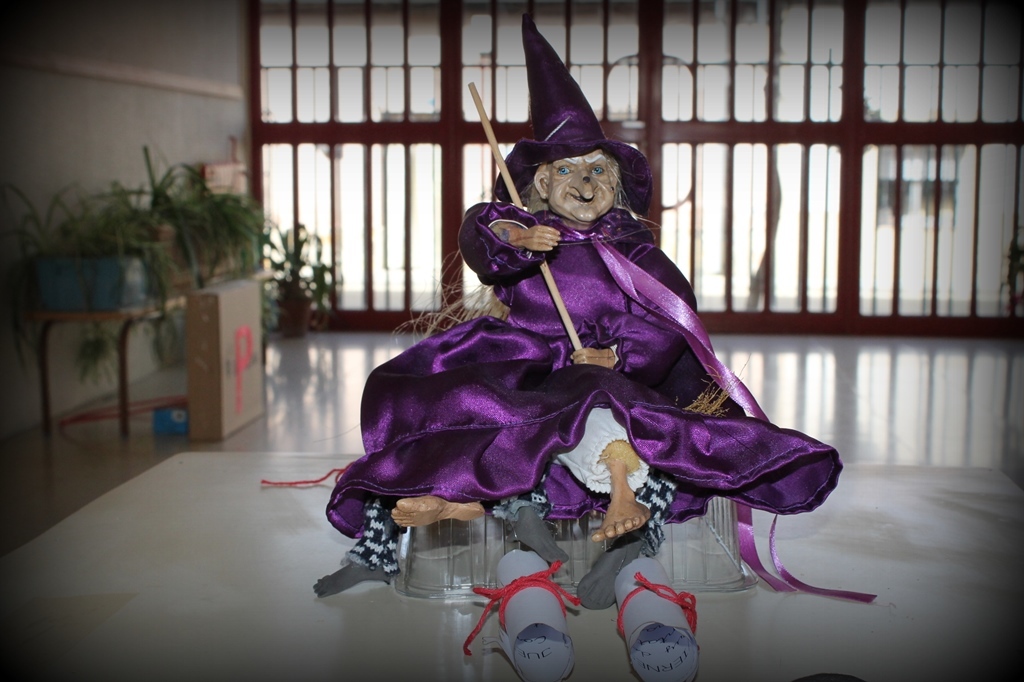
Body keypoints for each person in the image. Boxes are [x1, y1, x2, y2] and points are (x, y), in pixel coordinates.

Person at [314, 15, 842, 605]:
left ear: (614, 181)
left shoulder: (632, 248)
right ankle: (384, 544)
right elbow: (481, 232)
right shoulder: (526, 233)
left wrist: (620, 354)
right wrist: (519, 239)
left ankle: (620, 530)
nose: (584, 183)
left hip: (609, 370)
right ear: (540, 184)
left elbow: (671, 315)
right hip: (527, 361)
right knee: (431, 399)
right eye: (565, 170)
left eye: (597, 170)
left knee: (643, 428)